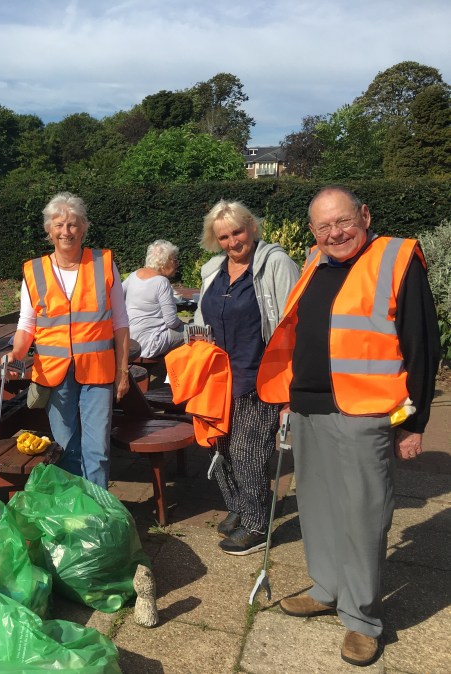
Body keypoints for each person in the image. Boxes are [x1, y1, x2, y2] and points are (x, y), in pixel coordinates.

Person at [257, 186, 440, 667]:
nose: (335, 233)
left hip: (365, 412)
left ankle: (362, 620)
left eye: (343, 222)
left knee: (363, 515)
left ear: (364, 215)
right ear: (313, 232)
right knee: (317, 506)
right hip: (309, 407)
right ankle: (327, 589)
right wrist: (287, 400)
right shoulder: (317, 262)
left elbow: (422, 344)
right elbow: (303, 335)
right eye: (324, 227)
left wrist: (414, 420)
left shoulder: (397, 257)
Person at [4, 192, 130, 489]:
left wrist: (123, 372)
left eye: (73, 224)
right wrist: (16, 353)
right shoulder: (33, 270)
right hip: (53, 373)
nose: (66, 231)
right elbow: (27, 323)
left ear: (84, 228)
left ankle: (97, 513)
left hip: (98, 371)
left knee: (97, 450)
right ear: (49, 231)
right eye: (59, 225)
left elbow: (121, 324)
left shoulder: (104, 263)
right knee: (65, 447)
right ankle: (71, 512)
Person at [194, 200, 299, 555]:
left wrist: (292, 387)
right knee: (220, 447)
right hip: (218, 379)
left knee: (247, 452)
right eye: (223, 236)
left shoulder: (275, 263)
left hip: (258, 376)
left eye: (237, 232)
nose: (232, 241)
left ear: (252, 227)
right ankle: (239, 506)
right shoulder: (213, 270)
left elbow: (293, 322)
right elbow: (200, 319)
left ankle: (257, 525)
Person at [122, 239, 185, 359]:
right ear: (164, 262)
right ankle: (177, 371)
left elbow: (116, 297)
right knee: (193, 331)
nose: (177, 265)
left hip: (130, 341)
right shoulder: (161, 282)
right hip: (150, 344)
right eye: (175, 260)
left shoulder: (133, 275)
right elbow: (171, 321)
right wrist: (182, 324)